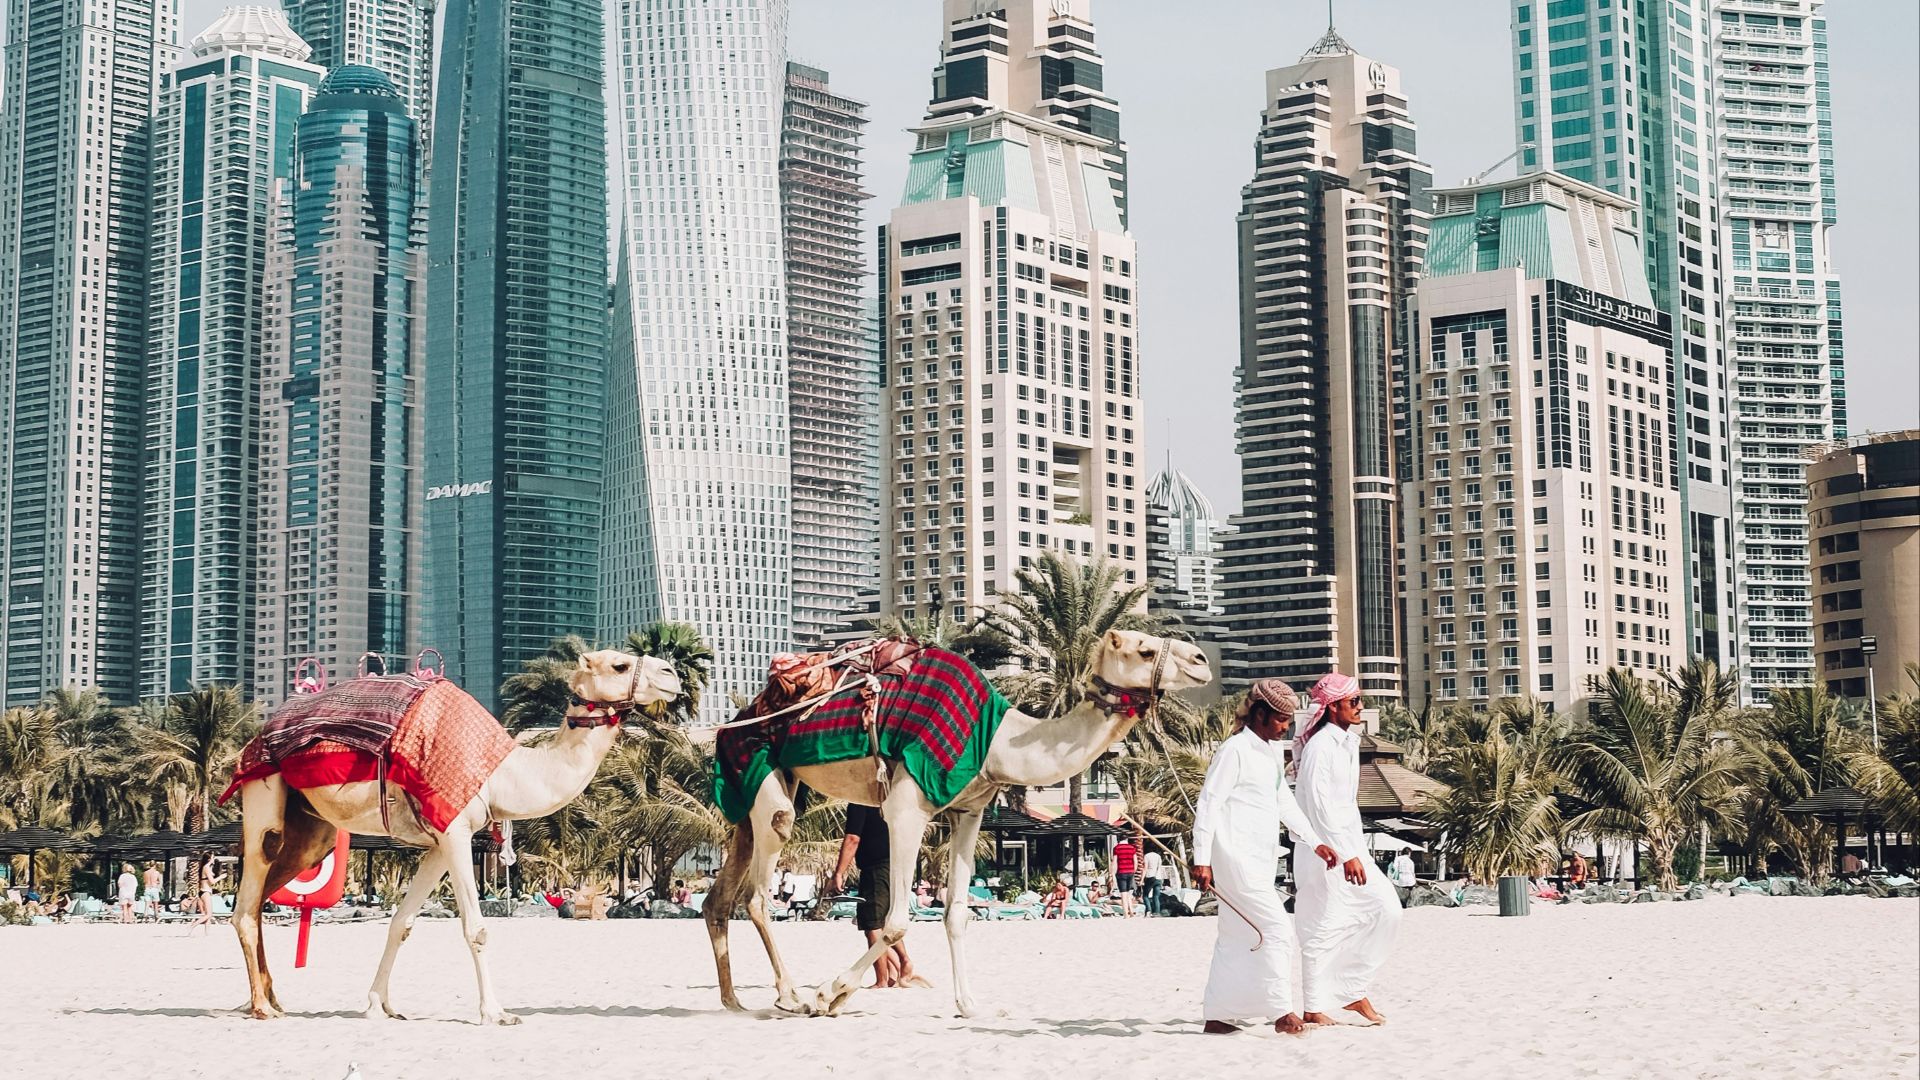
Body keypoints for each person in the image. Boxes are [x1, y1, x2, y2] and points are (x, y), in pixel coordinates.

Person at [1192, 679, 1340, 1036]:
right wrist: (1201, 858)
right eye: (1280, 720)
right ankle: (1282, 1013)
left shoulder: (1270, 752)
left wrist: (1314, 840)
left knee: (1234, 934)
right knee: (1276, 928)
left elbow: (1283, 802)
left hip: (1259, 857)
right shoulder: (1234, 750)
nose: (1286, 727)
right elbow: (1208, 803)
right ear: (1259, 714)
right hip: (1233, 858)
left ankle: (1219, 1015)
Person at [1292, 672, 1401, 1028]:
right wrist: (1345, 853)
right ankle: (1313, 1006)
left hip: (1350, 847)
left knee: (1387, 910)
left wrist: (1353, 850)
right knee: (1320, 925)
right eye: (1354, 701)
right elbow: (1319, 808)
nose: (1360, 707)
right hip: (1323, 851)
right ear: (1332, 707)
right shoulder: (1321, 747)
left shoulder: (1345, 743)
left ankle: (1351, 989)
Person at [830, 804, 923, 989]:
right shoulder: (889, 799)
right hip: (897, 863)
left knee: (873, 925)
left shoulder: (860, 802)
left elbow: (852, 839)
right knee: (886, 921)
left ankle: (883, 979)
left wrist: (839, 872)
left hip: (876, 867)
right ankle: (901, 966)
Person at [191, 854, 225, 934]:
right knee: (209, 914)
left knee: (208, 915)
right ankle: (192, 925)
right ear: (209, 859)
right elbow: (212, 881)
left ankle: (207, 933)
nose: (214, 859)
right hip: (205, 892)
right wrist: (221, 877)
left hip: (206, 891)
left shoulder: (208, 867)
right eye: (213, 857)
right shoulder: (206, 867)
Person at [1111, 833, 1138, 917]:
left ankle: (1126, 913)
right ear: (1127, 839)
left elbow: (1114, 862)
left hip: (1121, 872)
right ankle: (1132, 912)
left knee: (1123, 893)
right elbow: (1135, 861)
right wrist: (1134, 871)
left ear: (1119, 839)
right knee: (1129, 893)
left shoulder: (1117, 848)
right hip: (1130, 872)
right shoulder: (1132, 848)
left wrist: (1112, 873)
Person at [1140, 833, 1165, 916]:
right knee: (1156, 896)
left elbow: (1145, 868)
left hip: (1150, 876)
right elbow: (1159, 867)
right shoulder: (1158, 856)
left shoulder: (1147, 856)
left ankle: (1148, 910)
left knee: (1145, 895)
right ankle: (1157, 912)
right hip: (1158, 878)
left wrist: (1141, 880)